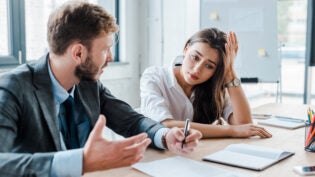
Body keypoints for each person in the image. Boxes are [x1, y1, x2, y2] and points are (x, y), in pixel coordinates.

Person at [0, 2, 202, 177]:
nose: (111, 58)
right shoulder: (12, 89)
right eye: (105, 49)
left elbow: (131, 120)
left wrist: (165, 136)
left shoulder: (88, 83)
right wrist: (80, 161)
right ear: (78, 53)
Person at [140, 28, 272, 138]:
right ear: (186, 49)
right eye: (195, 57)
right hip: (153, 154)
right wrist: (230, 131)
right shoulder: (154, 76)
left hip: (192, 153)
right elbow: (165, 125)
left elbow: (244, 125)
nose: (197, 69)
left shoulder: (214, 85)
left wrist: (230, 72)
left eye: (209, 66)